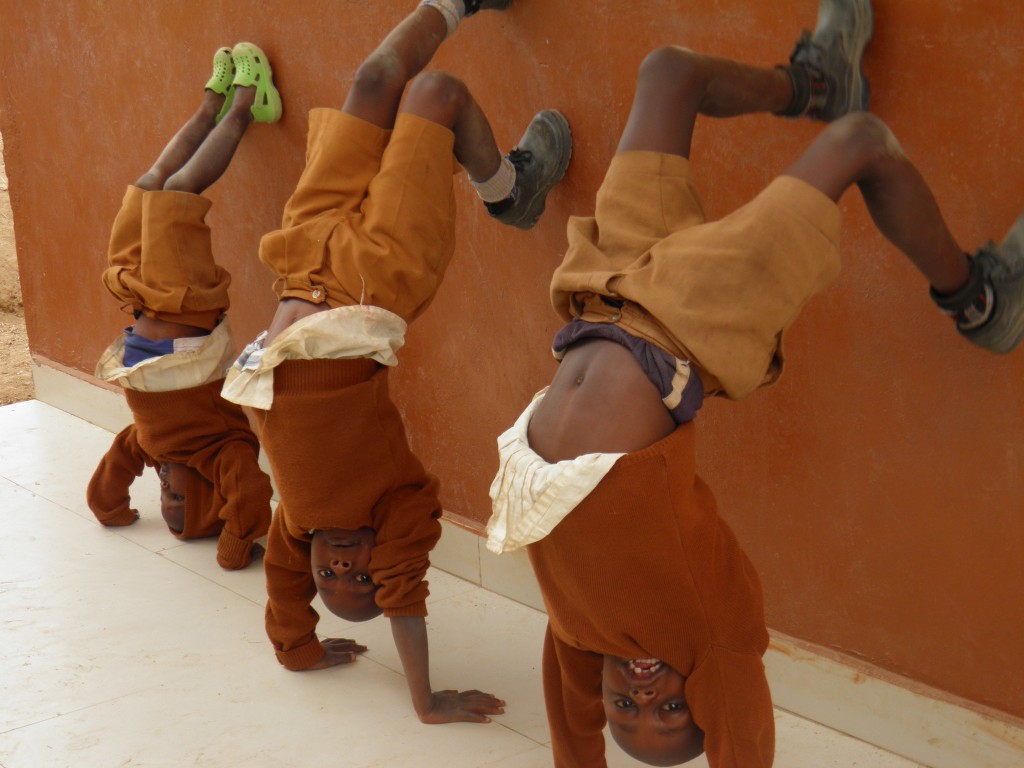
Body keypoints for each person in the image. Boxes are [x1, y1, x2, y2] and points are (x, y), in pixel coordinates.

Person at [486, 0, 1024, 765]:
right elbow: (740, 731)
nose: (642, 691)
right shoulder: (708, 631)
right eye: (672, 708)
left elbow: (574, 735)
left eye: (625, 708)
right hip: (692, 321)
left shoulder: (580, 631)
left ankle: (816, 82)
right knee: (861, 144)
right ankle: (981, 300)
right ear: (704, 691)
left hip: (602, 287)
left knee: (667, 74)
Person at [220, 0, 572, 724]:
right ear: (383, 558)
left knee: (373, 81)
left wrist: (299, 649)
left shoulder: (295, 525)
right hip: (377, 283)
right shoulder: (396, 510)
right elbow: (406, 601)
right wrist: (426, 700)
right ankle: (509, 191)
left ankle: (458, 7)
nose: (342, 565)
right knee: (436, 95)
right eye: (362, 578)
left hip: (302, 257)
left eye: (330, 576)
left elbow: (283, 597)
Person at [87, 43, 279, 570]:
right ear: (207, 492)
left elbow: (118, 462)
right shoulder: (222, 456)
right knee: (179, 190)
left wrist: (108, 508)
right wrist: (233, 550)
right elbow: (251, 499)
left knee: (150, 184)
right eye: (178, 496)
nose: (165, 484)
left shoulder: (155, 449)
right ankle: (247, 102)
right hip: (185, 307)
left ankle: (211, 105)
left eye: (162, 496)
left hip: (137, 295)